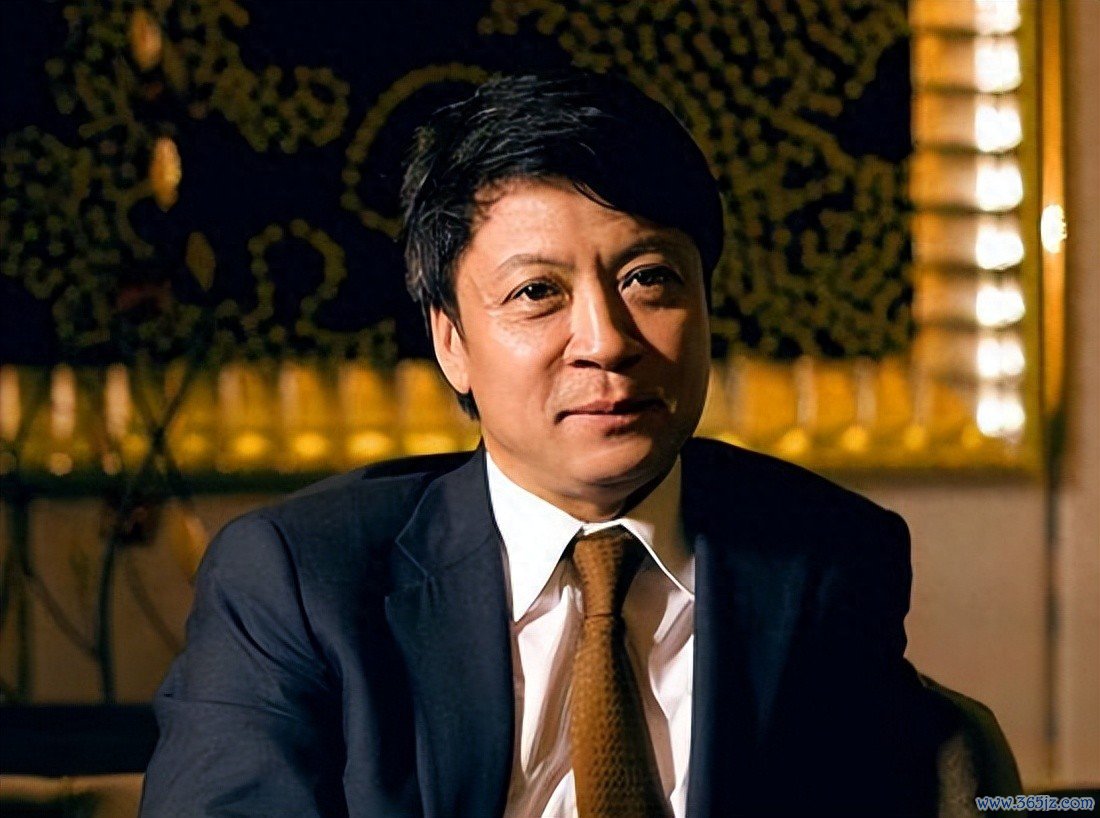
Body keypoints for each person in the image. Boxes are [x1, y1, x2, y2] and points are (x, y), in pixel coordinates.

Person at [140, 70, 1012, 818]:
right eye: (537, 293)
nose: (605, 341)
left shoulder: (824, 560)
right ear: (451, 341)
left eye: (648, 279)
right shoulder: (300, 582)